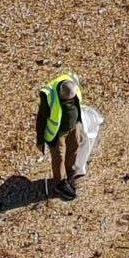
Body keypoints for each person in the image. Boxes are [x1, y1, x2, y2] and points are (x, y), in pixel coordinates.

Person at [36, 71, 85, 199]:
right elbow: (41, 119)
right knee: (59, 158)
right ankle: (60, 183)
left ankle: (70, 174)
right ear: (60, 95)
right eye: (66, 101)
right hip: (57, 134)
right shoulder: (48, 96)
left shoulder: (71, 82)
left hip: (73, 126)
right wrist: (40, 141)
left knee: (74, 147)